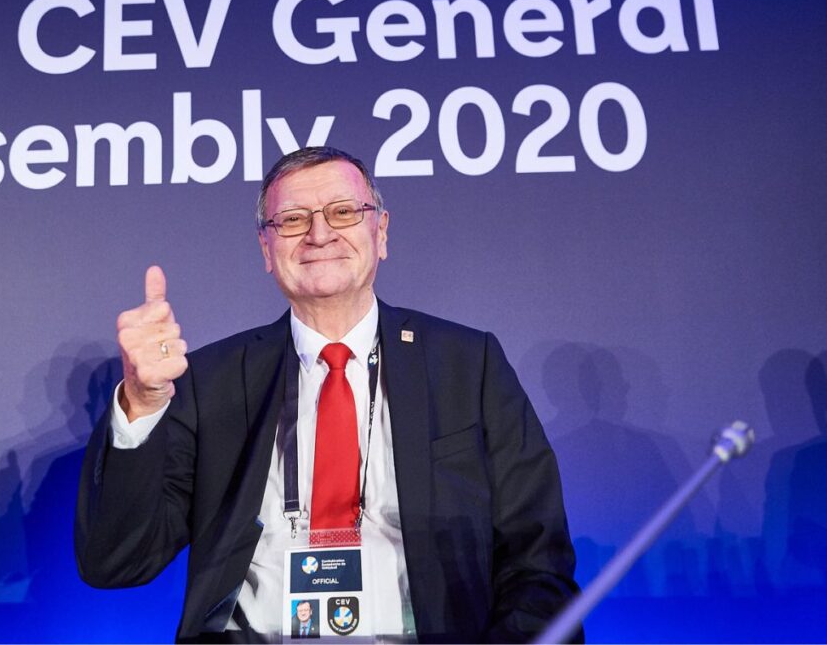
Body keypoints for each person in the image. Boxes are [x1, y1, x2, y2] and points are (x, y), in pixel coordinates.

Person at [76, 146, 580, 642]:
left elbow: (539, 564)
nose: (319, 234)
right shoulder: (212, 381)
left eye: (343, 212)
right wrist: (143, 403)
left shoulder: (467, 365)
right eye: (293, 220)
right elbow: (116, 561)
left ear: (381, 232)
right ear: (266, 249)